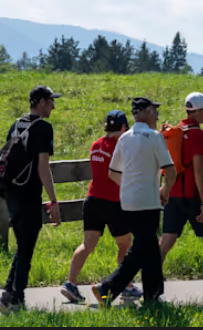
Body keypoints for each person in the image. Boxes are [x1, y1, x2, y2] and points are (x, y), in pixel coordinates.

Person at [91, 98, 175, 309]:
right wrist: (164, 191)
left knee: (148, 247)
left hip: (127, 203)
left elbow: (112, 172)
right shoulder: (155, 137)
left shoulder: (124, 138)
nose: (157, 115)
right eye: (154, 110)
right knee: (141, 249)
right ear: (145, 112)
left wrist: (128, 186)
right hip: (148, 201)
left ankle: (153, 295)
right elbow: (171, 171)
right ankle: (107, 289)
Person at [0, 86, 62, 315]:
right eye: (52, 101)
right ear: (41, 102)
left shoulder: (17, 123)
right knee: (26, 248)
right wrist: (54, 200)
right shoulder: (43, 128)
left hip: (10, 192)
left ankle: (8, 293)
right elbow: (44, 168)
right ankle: (16, 299)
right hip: (29, 193)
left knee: (23, 244)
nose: (54, 105)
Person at [62, 111, 139, 306]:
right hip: (113, 202)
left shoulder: (96, 145)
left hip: (92, 200)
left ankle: (70, 283)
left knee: (87, 245)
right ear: (123, 128)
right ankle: (127, 287)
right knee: (124, 245)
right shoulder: (121, 147)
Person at [156, 93, 203, 299]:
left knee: (166, 242)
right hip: (192, 197)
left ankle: (150, 286)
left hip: (173, 195)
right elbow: (199, 170)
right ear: (196, 111)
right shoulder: (197, 134)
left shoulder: (176, 131)